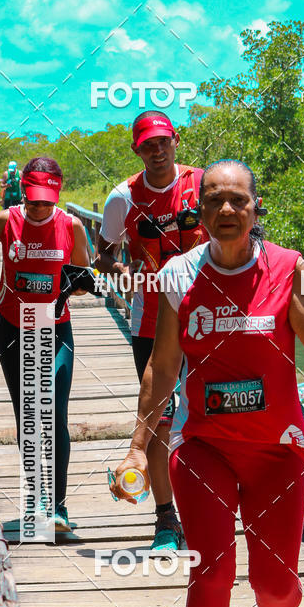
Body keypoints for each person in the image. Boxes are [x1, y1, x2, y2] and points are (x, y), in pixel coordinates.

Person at [111, 159, 304, 607]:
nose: (226, 209)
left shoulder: (289, 269)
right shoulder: (178, 275)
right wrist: (137, 445)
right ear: (201, 210)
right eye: (214, 199)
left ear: (255, 206)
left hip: (277, 452)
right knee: (211, 573)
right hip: (203, 447)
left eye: (237, 199)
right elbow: (163, 365)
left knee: (278, 586)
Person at [0, 156, 89, 532]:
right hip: (13, 328)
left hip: (56, 329)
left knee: (55, 412)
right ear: (23, 190)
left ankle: (57, 507)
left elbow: (82, 279)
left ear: (57, 193)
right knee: (27, 416)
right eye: (32, 199)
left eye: (46, 200)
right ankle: (36, 497)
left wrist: (71, 284)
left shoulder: (72, 226)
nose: (38, 206)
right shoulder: (5, 221)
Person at [95, 110, 207, 550]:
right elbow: (104, 253)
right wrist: (121, 271)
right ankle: (165, 519)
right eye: (148, 145)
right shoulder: (122, 197)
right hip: (150, 321)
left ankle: (209, 509)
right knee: (159, 417)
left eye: (163, 142)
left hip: (207, 318)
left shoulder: (203, 184)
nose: (157, 151)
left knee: (209, 413)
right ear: (136, 150)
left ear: (176, 140)